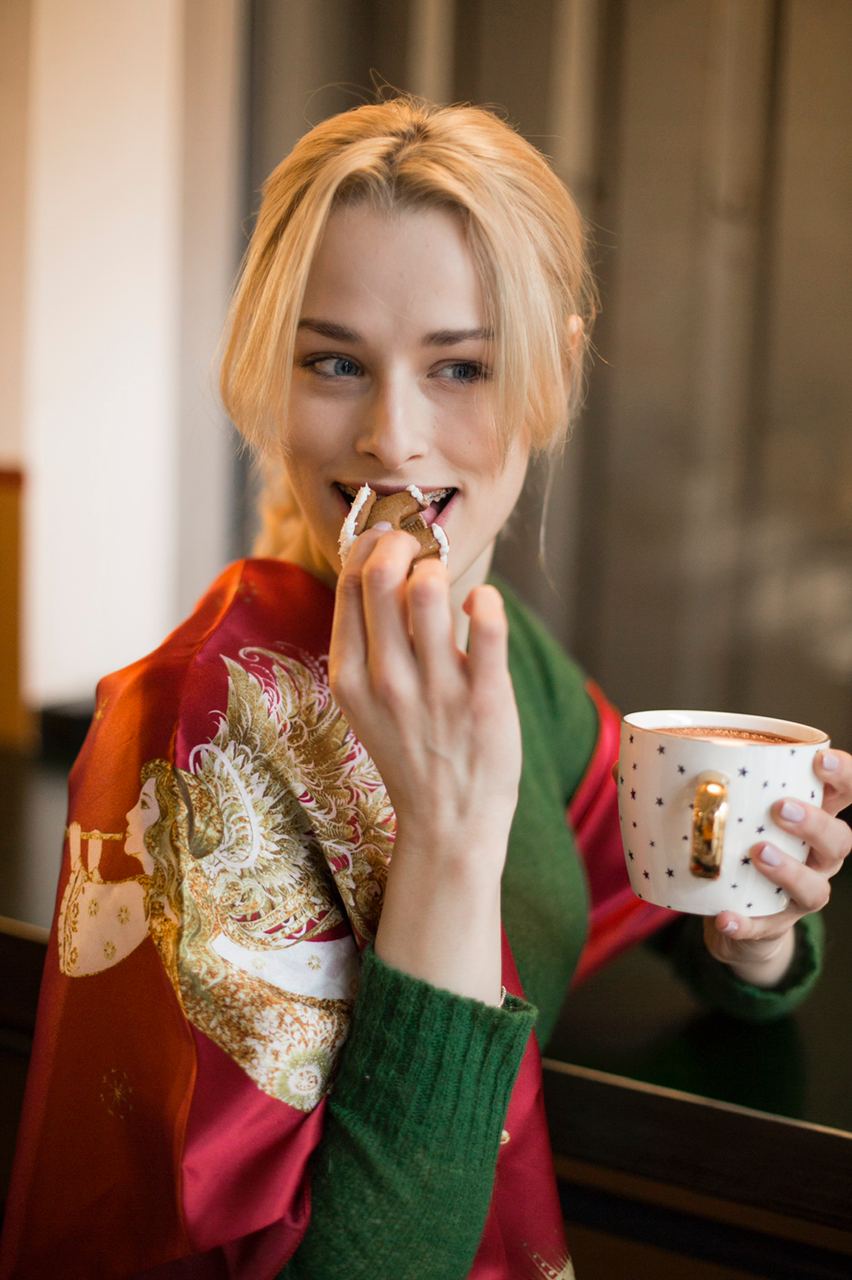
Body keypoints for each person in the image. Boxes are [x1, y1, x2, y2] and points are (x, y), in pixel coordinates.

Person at [2, 95, 850, 1280]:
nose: (395, 437)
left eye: (459, 366)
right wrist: (448, 848)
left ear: (553, 371)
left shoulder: (508, 667)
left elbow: (657, 889)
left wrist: (760, 925)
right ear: (264, 370)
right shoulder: (195, 730)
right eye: (334, 360)